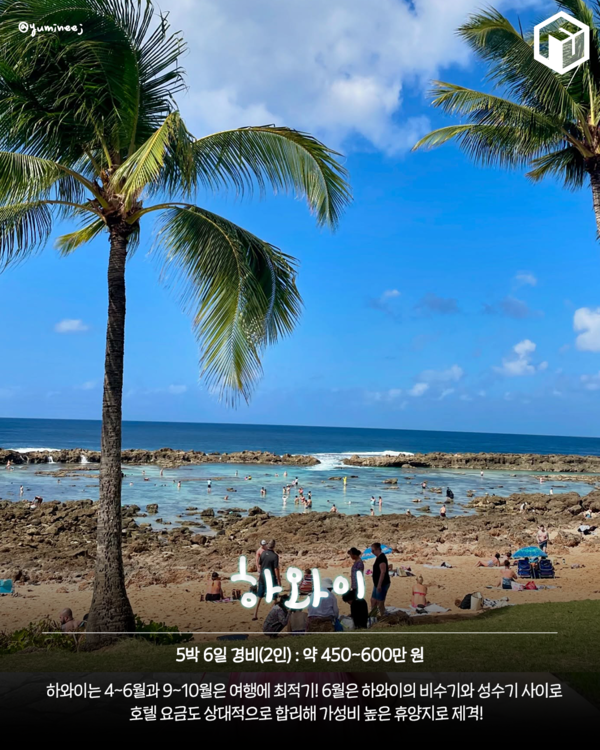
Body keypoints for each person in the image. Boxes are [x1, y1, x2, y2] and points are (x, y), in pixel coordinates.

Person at [253, 540, 281, 621]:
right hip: (271, 577)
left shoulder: (263, 553)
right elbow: (276, 569)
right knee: (274, 597)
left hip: (262, 576)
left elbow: (260, 565)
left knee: (260, 596)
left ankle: (255, 613)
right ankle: (271, 614)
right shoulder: (275, 556)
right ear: (274, 546)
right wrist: (279, 580)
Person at [370, 543, 391, 616]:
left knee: (380, 602)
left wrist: (379, 584)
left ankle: (383, 615)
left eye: (373, 550)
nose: (372, 552)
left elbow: (383, 572)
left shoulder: (382, 558)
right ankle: (373, 615)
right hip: (376, 583)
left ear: (377, 549)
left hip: (382, 583)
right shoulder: (378, 557)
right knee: (373, 600)